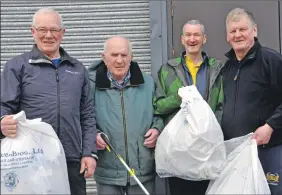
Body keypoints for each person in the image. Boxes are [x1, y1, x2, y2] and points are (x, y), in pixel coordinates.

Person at [0, 8, 97, 195]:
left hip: (71, 159)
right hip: (31, 159)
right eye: (42, 30)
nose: (48, 35)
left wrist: (89, 153)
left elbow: (87, 114)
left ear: (63, 33)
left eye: (54, 30)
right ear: (33, 32)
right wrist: (2, 122)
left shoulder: (77, 69)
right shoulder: (17, 66)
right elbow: (4, 105)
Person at [221, 8, 282, 195]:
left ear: (255, 30)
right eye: (233, 31)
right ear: (227, 36)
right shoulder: (227, 68)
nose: (238, 35)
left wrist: (269, 126)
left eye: (242, 29)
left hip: (270, 149)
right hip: (238, 153)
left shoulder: (272, 60)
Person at [153, 20, 224, 195]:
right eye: (188, 35)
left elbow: (223, 106)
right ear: (182, 39)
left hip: (207, 150)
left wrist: (213, 133)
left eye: (196, 35)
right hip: (178, 151)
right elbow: (158, 106)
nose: (192, 39)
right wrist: (179, 98)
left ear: (204, 38)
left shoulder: (218, 68)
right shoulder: (167, 70)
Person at [88, 36, 164, 195]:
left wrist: (157, 129)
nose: (119, 60)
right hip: (108, 171)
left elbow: (160, 113)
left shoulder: (148, 83)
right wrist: (93, 135)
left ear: (131, 57)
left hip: (142, 170)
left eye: (124, 55)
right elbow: (83, 118)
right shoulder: (90, 85)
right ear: (104, 57)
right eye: (114, 55)